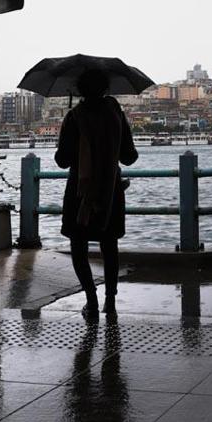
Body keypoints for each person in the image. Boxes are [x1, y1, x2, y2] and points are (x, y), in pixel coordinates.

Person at [55, 69, 138, 318]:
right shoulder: (116, 115)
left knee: (78, 246)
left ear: (79, 90)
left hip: (80, 193)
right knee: (109, 245)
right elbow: (130, 156)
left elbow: (62, 160)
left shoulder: (74, 117)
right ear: (106, 89)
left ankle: (91, 300)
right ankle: (110, 301)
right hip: (110, 190)